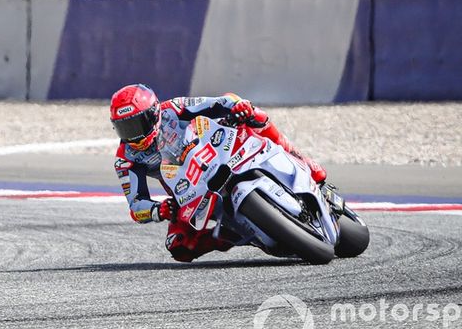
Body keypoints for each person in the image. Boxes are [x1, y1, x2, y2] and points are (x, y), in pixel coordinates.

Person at [109, 84, 327, 262]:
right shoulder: (125, 158)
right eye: (124, 128)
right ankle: (237, 235)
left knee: (253, 115)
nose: (133, 135)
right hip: (188, 190)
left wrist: (237, 107)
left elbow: (219, 102)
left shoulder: (173, 109)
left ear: (154, 113)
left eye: (137, 124)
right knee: (178, 246)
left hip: (216, 150)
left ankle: (298, 157)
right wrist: (160, 209)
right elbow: (136, 205)